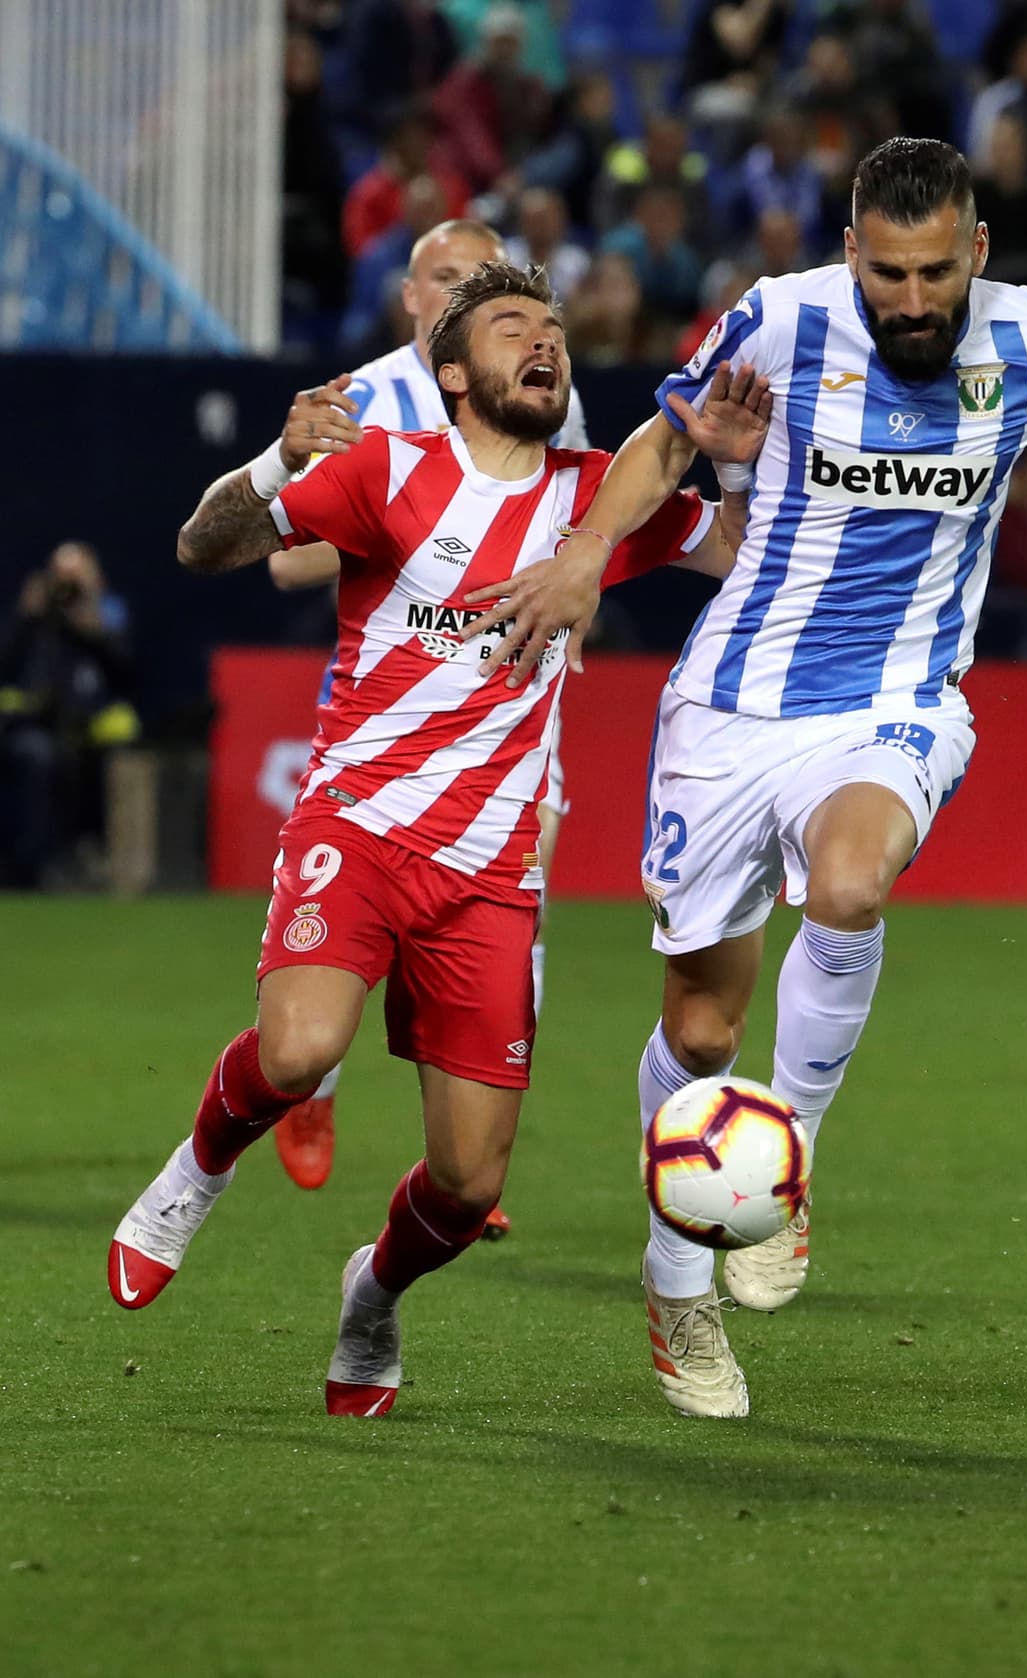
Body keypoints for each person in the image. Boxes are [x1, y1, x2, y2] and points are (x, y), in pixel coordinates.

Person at [459, 138, 1027, 1419]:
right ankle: (674, 1286)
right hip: (730, 708)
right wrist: (591, 550)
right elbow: (659, 447)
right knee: (699, 1030)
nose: (914, 302)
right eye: (888, 275)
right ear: (847, 254)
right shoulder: (779, 319)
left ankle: (788, 1152)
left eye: (936, 273)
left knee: (852, 884)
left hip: (896, 701)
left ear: (975, 251)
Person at [107, 261, 771, 1421]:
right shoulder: (387, 470)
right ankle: (193, 1173)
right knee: (303, 1048)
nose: (544, 341)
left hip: (488, 875)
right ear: (451, 371)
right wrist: (273, 461)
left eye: (554, 327)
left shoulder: (595, 500)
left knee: (466, 1187)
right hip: (355, 827)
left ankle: (372, 1292)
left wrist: (724, 458)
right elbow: (202, 547)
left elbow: (738, 551)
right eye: (513, 324)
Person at [268, 217, 587, 1197]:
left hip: (513, 697)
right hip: (390, 701)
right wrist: (411, 547)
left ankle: (456, 1154)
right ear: (410, 296)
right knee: (349, 941)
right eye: (441, 278)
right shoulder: (363, 400)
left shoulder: (541, 390)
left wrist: (571, 589)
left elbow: (581, 529)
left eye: (472, 278)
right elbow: (286, 557)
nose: (457, 293)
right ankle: (312, 1075)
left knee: (507, 906)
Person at [0, 542, 138, 889]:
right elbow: (8, 665)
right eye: (60, 578)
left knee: (104, 765)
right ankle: (33, 864)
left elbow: (125, 673)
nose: (66, 588)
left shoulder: (106, 616)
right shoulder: (34, 620)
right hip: (33, 728)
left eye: (75, 578)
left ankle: (90, 859)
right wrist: (27, 615)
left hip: (91, 733)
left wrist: (89, 622)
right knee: (42, 757)